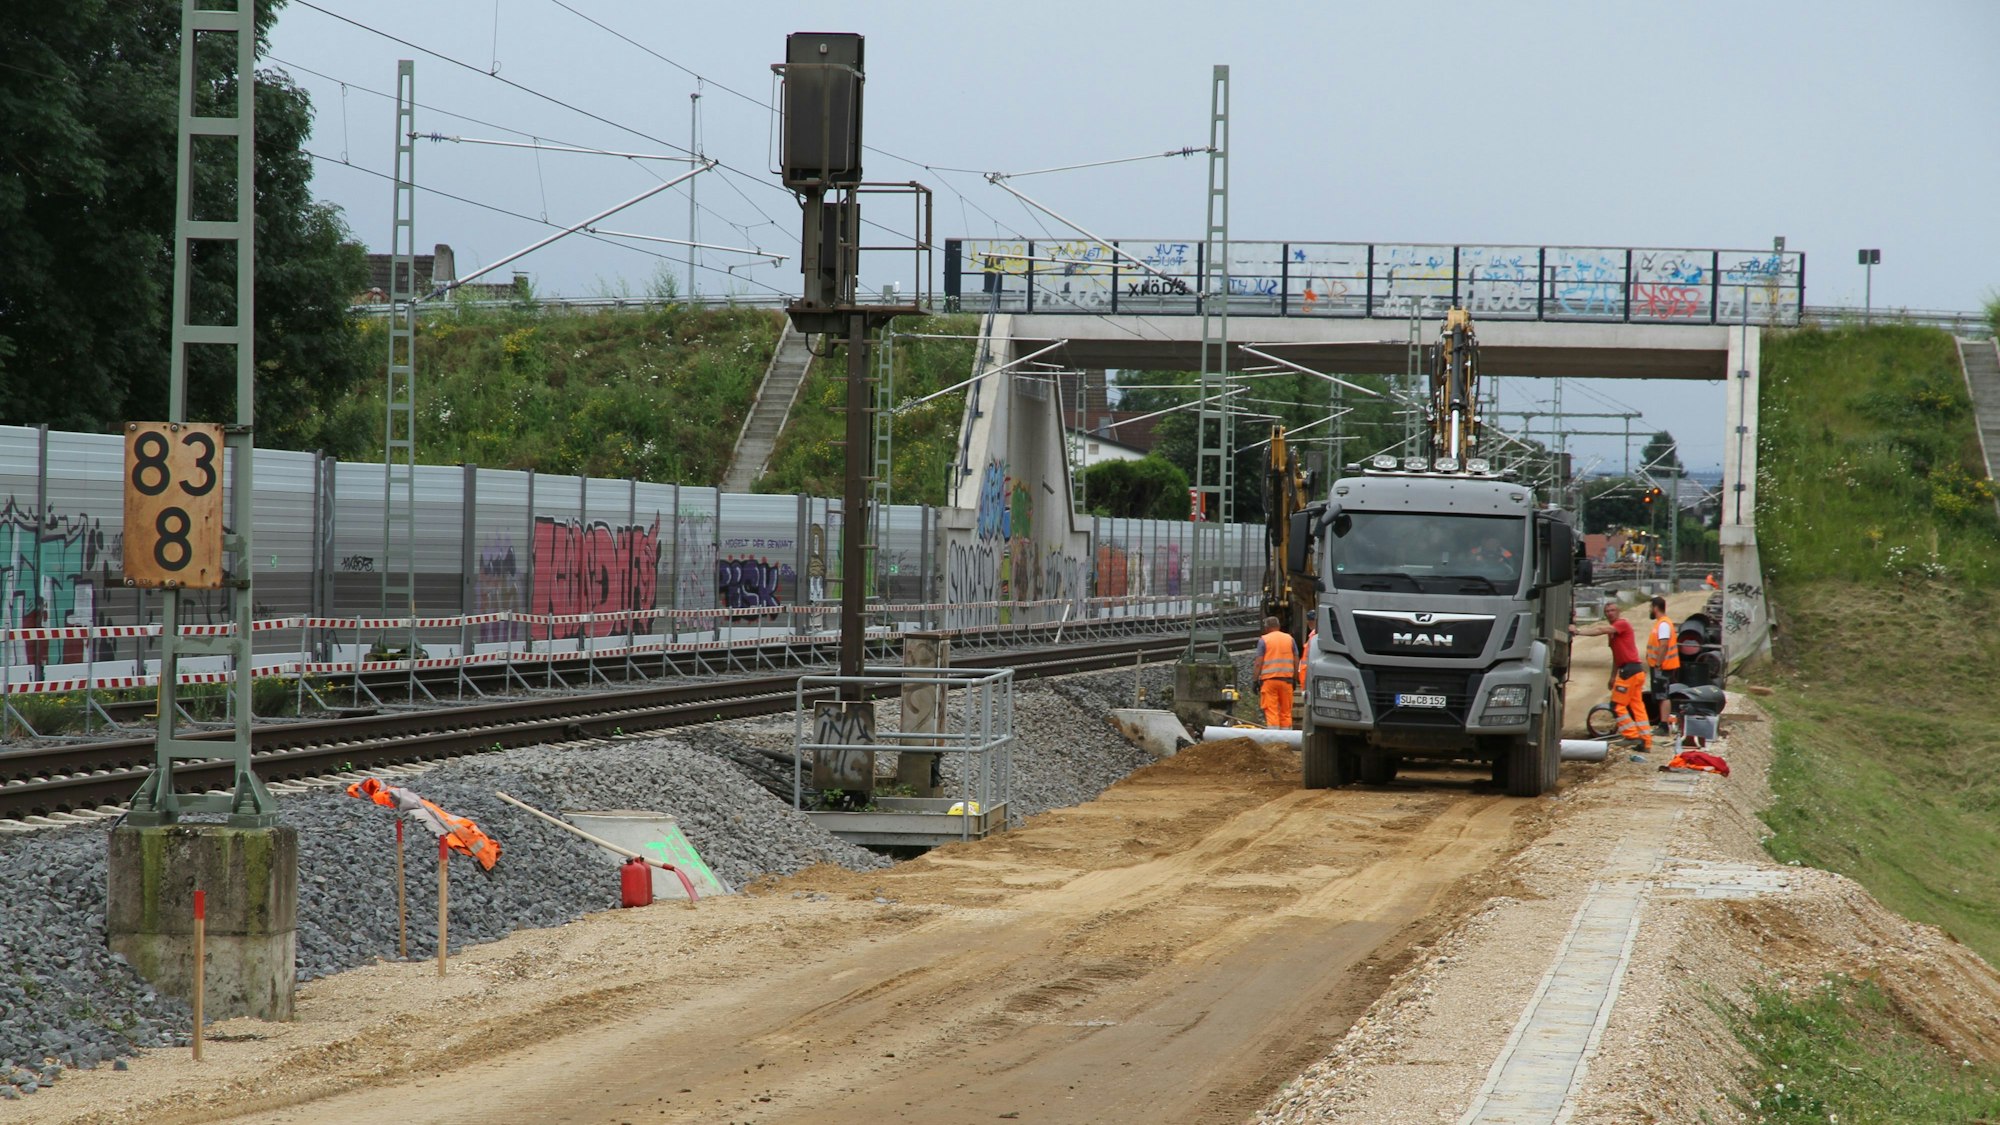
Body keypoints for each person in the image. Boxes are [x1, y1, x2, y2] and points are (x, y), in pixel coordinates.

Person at [1571, 600, 1651, 748]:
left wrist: (1577, 631)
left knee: (1617, 705)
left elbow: (1599, 630)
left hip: (1630, 671)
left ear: (1619, 611)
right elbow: (1616, 655)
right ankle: (1645, 742)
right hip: (1634, 671)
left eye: (1612, 610)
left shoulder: (1621, 624)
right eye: (1607, 611)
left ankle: (1631, 736)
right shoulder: (1613, 631)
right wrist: (1613, 676)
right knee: (1637, 706)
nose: (1610, 613)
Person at [1253, 615, 1299, 729]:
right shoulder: (1289, 639)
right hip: (1286, 681)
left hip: (1269, 682)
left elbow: (1258, 663)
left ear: (1267, 628)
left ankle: (1274, 738)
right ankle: (1287, 738)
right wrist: (1295, 679)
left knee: (1271, 711)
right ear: (1278, 626)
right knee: (1286, 712)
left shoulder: (1264, 640)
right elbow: (1296, 660)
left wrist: (1255, 680)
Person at [1645, 594, 1681, 730]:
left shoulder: (1664, 624)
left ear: (1655, 607)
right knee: (1660, 694)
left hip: (1662, 666)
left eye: (1650, 607)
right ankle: (1663, 722)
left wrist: (1658, 663)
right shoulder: (1661, 623)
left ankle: (1664, 724)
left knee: (1662, 695)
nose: (1649, 610)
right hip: (1660, 665)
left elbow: (1664, 645)